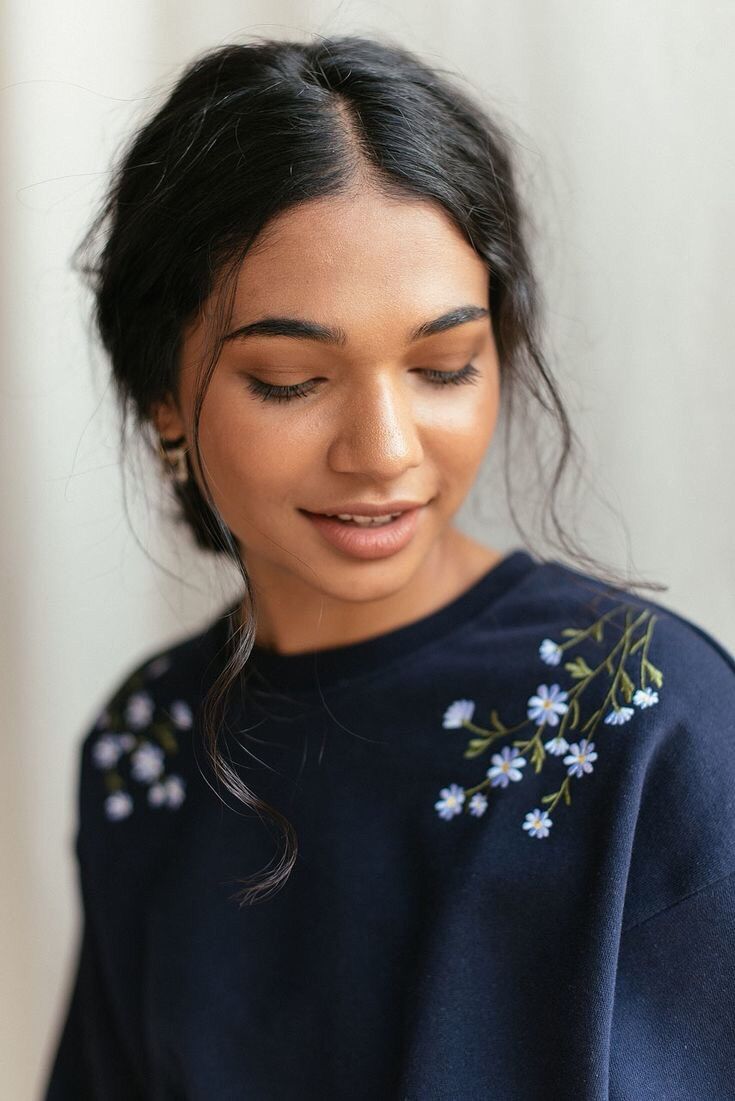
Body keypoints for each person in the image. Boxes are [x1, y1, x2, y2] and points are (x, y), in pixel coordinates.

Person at [43, 34, 735, 1101]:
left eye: (443, 367)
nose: (386, 449)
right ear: (165, 399)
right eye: (289, 379)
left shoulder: (647, 720)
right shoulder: (149, 750)